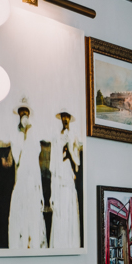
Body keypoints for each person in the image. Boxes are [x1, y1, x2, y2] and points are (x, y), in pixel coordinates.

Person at [7, 104, 46, 250]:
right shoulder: (16, 136)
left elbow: (36, 159)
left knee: (34, 214)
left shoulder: (34, 135)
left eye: (26, 114)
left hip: (33, 178)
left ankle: (33, 245)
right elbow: (17, 158)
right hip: (22, 178)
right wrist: (22, 135)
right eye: (21, 113)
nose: (24, 116)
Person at [49, 111, 81, 249]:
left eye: (67, 117)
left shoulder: (73, 137)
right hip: (58, 180)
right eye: (63, 117)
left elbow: (77, 163)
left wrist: (70, 154)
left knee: (69, 213)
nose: (65, 119)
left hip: (68, 178)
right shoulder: (56, 138)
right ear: (61, 119)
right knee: (59, 213)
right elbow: (53, 166)